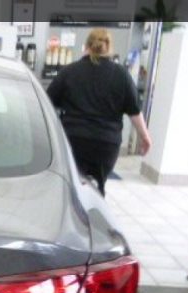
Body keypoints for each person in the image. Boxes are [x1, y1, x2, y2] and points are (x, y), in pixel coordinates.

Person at [46, 28, 152, 196]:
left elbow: (47, 102)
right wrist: (145, 137)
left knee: (71, 186)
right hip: (106, 144)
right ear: (109, 48)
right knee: (98, 187)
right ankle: (96, 210)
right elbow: (134, 111)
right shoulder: (121, 75)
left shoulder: (69, 72)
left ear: (86, 47)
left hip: (74, 139)